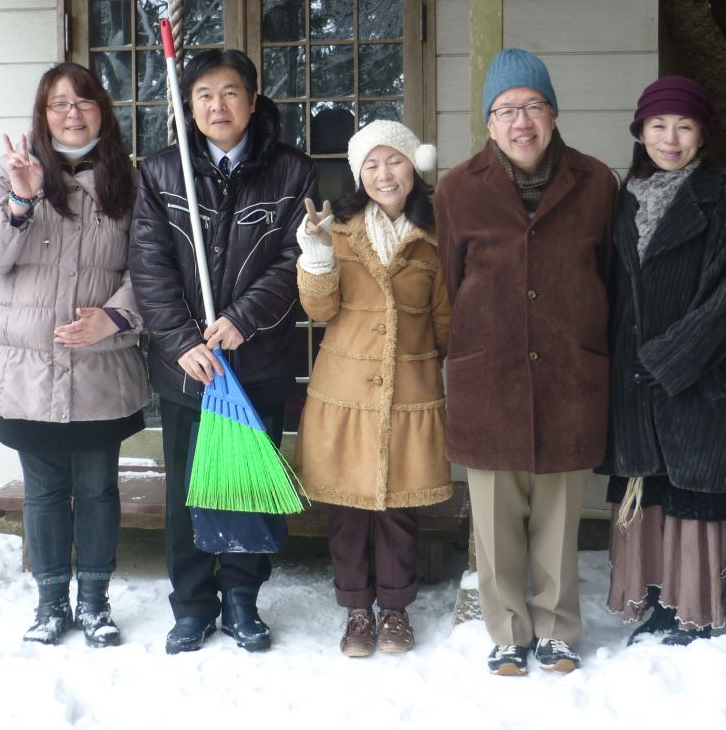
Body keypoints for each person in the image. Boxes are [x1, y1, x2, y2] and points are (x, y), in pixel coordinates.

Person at [435, 48, 617, 676]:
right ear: (489, 123)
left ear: (554, 114)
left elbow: (609, 278)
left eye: (533, 107)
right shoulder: (458, 189)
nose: (521, 122)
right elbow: (451, 279)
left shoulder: (596, 183)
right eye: (506, 110)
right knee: (495, 518)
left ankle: (558, 628)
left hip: (571, 370)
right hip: (490, 374)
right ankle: (509, 631)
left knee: (560, 516)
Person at [128, 49, 317, 655]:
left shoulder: (291, 171)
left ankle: (242, 598)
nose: (218, 105)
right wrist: (182, 340)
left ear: (253, 101)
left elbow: (297, 260)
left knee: (246, 483)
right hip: (188, 370)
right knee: (189, 486)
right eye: (204, 94)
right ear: (190, 105)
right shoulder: (161, 172)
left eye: (230, 92)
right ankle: (191, 604)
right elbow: (148, 265)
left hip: (257, 361)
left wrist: (244, 317)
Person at [0, 62, 149, 647]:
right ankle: (49, 606)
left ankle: (94, 603)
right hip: (28, 374)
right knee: (43, 492)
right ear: (42, 114)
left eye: (84, 102)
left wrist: (113, 317)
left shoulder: (130, 180)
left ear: (104, 110)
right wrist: (20, 202)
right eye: (58, 104)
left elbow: (151, 268)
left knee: (97, 489)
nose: (72, 114)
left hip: (100, 370)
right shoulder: (10, 172)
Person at [598, 76, 726, 646]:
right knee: (653, 488)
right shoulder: (625, 198)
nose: (670, 139)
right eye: (658, 125)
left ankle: (697, 604)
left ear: (703, 135)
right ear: (640, 131)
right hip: (632, 381)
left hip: (699, 377)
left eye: (684, 126)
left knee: (695, 487)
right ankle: (661, 599)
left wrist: (668, 360)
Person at [294, 120, 451, 658]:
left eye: (396, 161)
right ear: (359, 174)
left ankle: (396, 610)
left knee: (399, 508)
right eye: (372, 164)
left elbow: (445, 321)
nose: (385, 174)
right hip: (346, 395)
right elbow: (319, 310)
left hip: (409, 390)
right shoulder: (335, 230)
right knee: (348, 509)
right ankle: (357, 611)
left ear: (414, 167)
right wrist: (315, 255)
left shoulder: (433, 238)